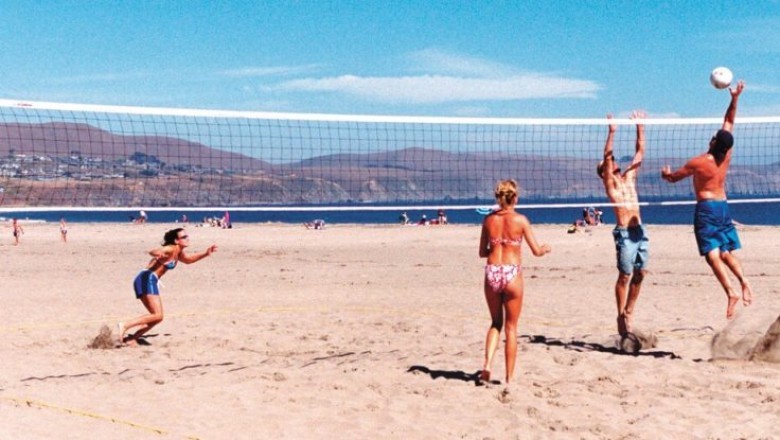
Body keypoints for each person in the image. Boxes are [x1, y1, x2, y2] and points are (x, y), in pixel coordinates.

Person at [661, 80, 753, 319]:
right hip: (723, 206)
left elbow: (674, 179)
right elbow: (729, 122)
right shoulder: (727, 154)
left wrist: (666, 174)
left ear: (713, 142)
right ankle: (744, 281)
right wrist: (734, 99)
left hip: (707, 209)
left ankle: (731, 292)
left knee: (712, 256)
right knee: (726, 252)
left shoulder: (699, 162)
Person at [478, 179, 551, 400]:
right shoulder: (521, 220)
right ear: (515, 198)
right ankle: (509, 379)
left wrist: (496, 245)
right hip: (511, 273)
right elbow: (536, 251)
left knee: (495, 323)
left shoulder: (489, 220)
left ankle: (488, 366)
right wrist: (545, 249)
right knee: (511, 328)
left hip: (492, 271)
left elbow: (482, 252)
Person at [597, 110, 649, 337]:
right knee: (625, 276)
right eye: (609, 166)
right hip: (625, 234)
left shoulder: (628, 177)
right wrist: (612, 132)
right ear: (604, 173)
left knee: (641, 274)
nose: (614, 165)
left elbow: (640, 152)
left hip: (639, 231)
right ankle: (621, 315)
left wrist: (640, 126)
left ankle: (629, 310)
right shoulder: (611, 187)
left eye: (614, 164)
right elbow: (608, 158)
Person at [118, 228, 217, 345]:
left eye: (187, 236)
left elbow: (188, 260)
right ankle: (124, 325)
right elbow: (153, 251)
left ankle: (133, 338)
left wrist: (205, 253)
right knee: (157, 315)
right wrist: (156, 253)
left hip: (148, 280)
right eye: (184, 237)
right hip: (146, 278)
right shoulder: (171, 248)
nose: (187, 238)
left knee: (157, 317)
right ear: (176, 240)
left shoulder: (178, 251)